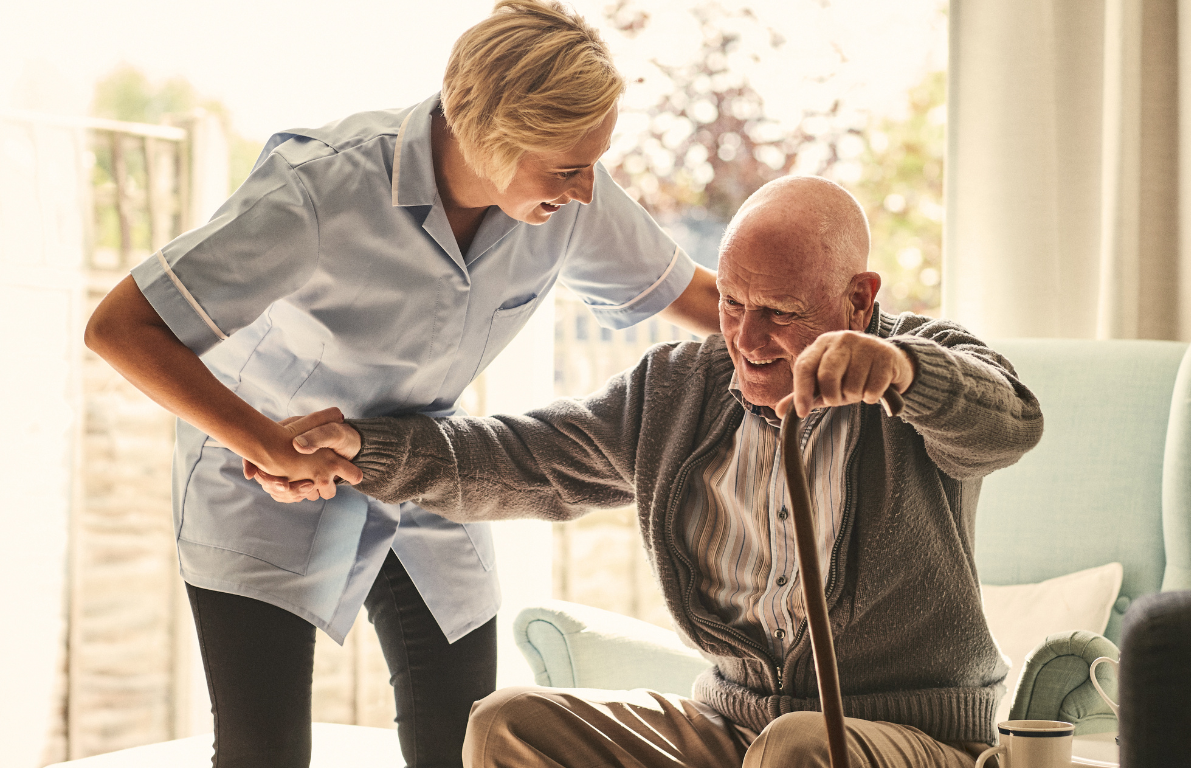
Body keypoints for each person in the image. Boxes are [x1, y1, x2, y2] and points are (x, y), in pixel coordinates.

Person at [82, 2, 722, 766]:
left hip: (423, 470)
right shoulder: (319, 190)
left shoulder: (566, 196)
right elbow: (120, 327)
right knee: (264, 752)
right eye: (567, 168)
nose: (586, 190)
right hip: (261, 479)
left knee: (465, 742)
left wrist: (853, 341)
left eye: (593, 163)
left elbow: (711, 303)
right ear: (490, 132)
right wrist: (265, 441)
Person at [268, 176, 1045, 767]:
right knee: (504, 724)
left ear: (858, 297)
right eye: (733, 302)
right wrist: (363, 450)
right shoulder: (679, 390)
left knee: (798, 748)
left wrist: (903, 371)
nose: (747, 335)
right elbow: (523, 458)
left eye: (780, 311)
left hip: (912, 738)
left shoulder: (920, 364)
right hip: (734, 728)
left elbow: (1009, 424)